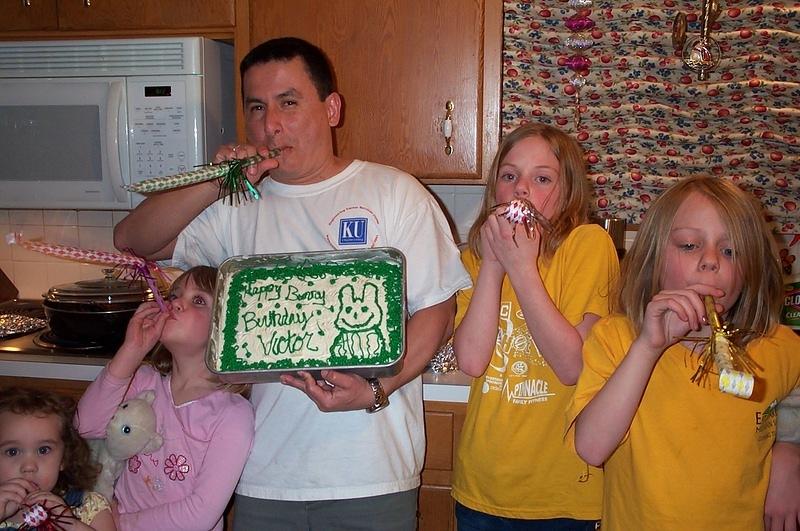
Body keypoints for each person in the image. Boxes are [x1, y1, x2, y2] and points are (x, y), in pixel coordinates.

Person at [113, 37, 470, 530]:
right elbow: (133, 241)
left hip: (372, 472)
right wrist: (216, 180)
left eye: (289, 102)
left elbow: (438, 311)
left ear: (331, 108)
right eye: (257, 108)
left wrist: (375, 391)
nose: (271, 124)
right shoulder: (235, 205)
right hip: (262, 472)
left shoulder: (394, 192)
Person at [569, 175, 800, 530]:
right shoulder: (617, 339)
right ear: (653, 259)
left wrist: (789, 452)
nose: (710, 261)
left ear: (750, 269)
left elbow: (791, 396)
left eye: (730, 251)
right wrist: (647, 348)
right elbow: (591, 448)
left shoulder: (778, 346)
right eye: (690, 245)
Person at [450, 122, 619, 530]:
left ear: (569, 192)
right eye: (510, 176)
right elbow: (471, 360)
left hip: (560, 494)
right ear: (496, 191)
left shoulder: (588, 244)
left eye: (541, 178)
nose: (521, 189)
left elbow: (572, 367)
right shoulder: (475, 259)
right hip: (482, 485)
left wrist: (522, 268)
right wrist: (493, 263)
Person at [75, 266, 254, 531]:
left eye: (198, 300)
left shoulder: (232, 414)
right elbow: (85, 425)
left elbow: (200, 515)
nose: (177, 303)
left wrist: (119, 524)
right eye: (175, 295)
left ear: (226, 328)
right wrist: (132, 350)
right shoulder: (144, 380)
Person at [0, 387, 115, 531]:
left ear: (64, 457)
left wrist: (73, 526)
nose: (29, 466)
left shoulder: (88, 507)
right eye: (12, 451)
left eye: (43, 450)